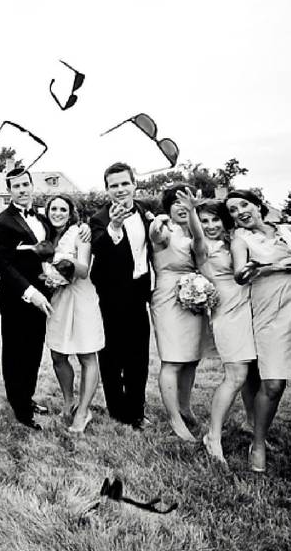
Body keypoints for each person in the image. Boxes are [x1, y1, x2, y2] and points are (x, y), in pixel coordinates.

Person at [227, 190, 291, 474]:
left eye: (243, 205)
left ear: (258, 206)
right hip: (269, 304)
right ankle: (257, 444)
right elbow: (238, 273)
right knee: (273, 382)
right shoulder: (240, 239)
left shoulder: (286, 229)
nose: (239, 212)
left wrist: (276, 264)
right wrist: (249, 269)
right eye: (233, 210)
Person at [176, 193, 256, 467]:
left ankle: (252, 424)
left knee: (250, 376)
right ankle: (213, 436)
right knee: (236, 375)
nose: (210, 226)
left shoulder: (234, 242)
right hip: (228, 314)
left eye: (215, 220)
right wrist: (192, 214)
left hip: (250, 309)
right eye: (205, 220)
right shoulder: (202, 248)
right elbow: (198, 237)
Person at [0, 168, 56, 430]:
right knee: (16, 353)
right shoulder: (1, 222)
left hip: (42, 295)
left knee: (33, 351)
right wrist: (31, 292)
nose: (22, 189)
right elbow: (3, 265)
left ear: (31, 185)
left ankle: (27, 397)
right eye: (16, 186)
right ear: (9, 190)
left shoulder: (41, 219)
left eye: (25, 184)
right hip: (17, 298)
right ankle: (19, 407)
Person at [89, 162, 154, 429]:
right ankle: (117, 410)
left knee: (139, 356)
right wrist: (114, 226)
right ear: (107, 189)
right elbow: (99, 250)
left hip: (139, 293)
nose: (120, 189)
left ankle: (136, 410)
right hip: (111, 296)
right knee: (112, 357)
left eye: (124, 183)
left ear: (134, 184)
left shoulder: (146, 214)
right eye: (113, 185)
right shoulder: (98, 219)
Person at [149, 185, 214, 442]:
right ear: (168, 207)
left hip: (194, 293)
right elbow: (156, 236)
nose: (181, 207)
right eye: (175, 202)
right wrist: (156, 221)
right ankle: (174, 418)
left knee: (190, 358)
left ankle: (185, 407)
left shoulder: (196, 232)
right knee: (173, 359)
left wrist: (194, 213)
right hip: (168, 294)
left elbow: (199, 246)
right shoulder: (166, 230)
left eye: (185, 202)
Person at [44, 195, 104, 434]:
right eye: (53, 209)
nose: (57, 213)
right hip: (58, 298)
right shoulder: (47, 235)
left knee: (87, 356)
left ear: (71, 213)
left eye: (63, 209)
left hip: (81, 298)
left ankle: (83, 411)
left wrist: (61, 260)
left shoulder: (80, 233)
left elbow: (83, 270)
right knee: (58, 354)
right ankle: (69, 401)